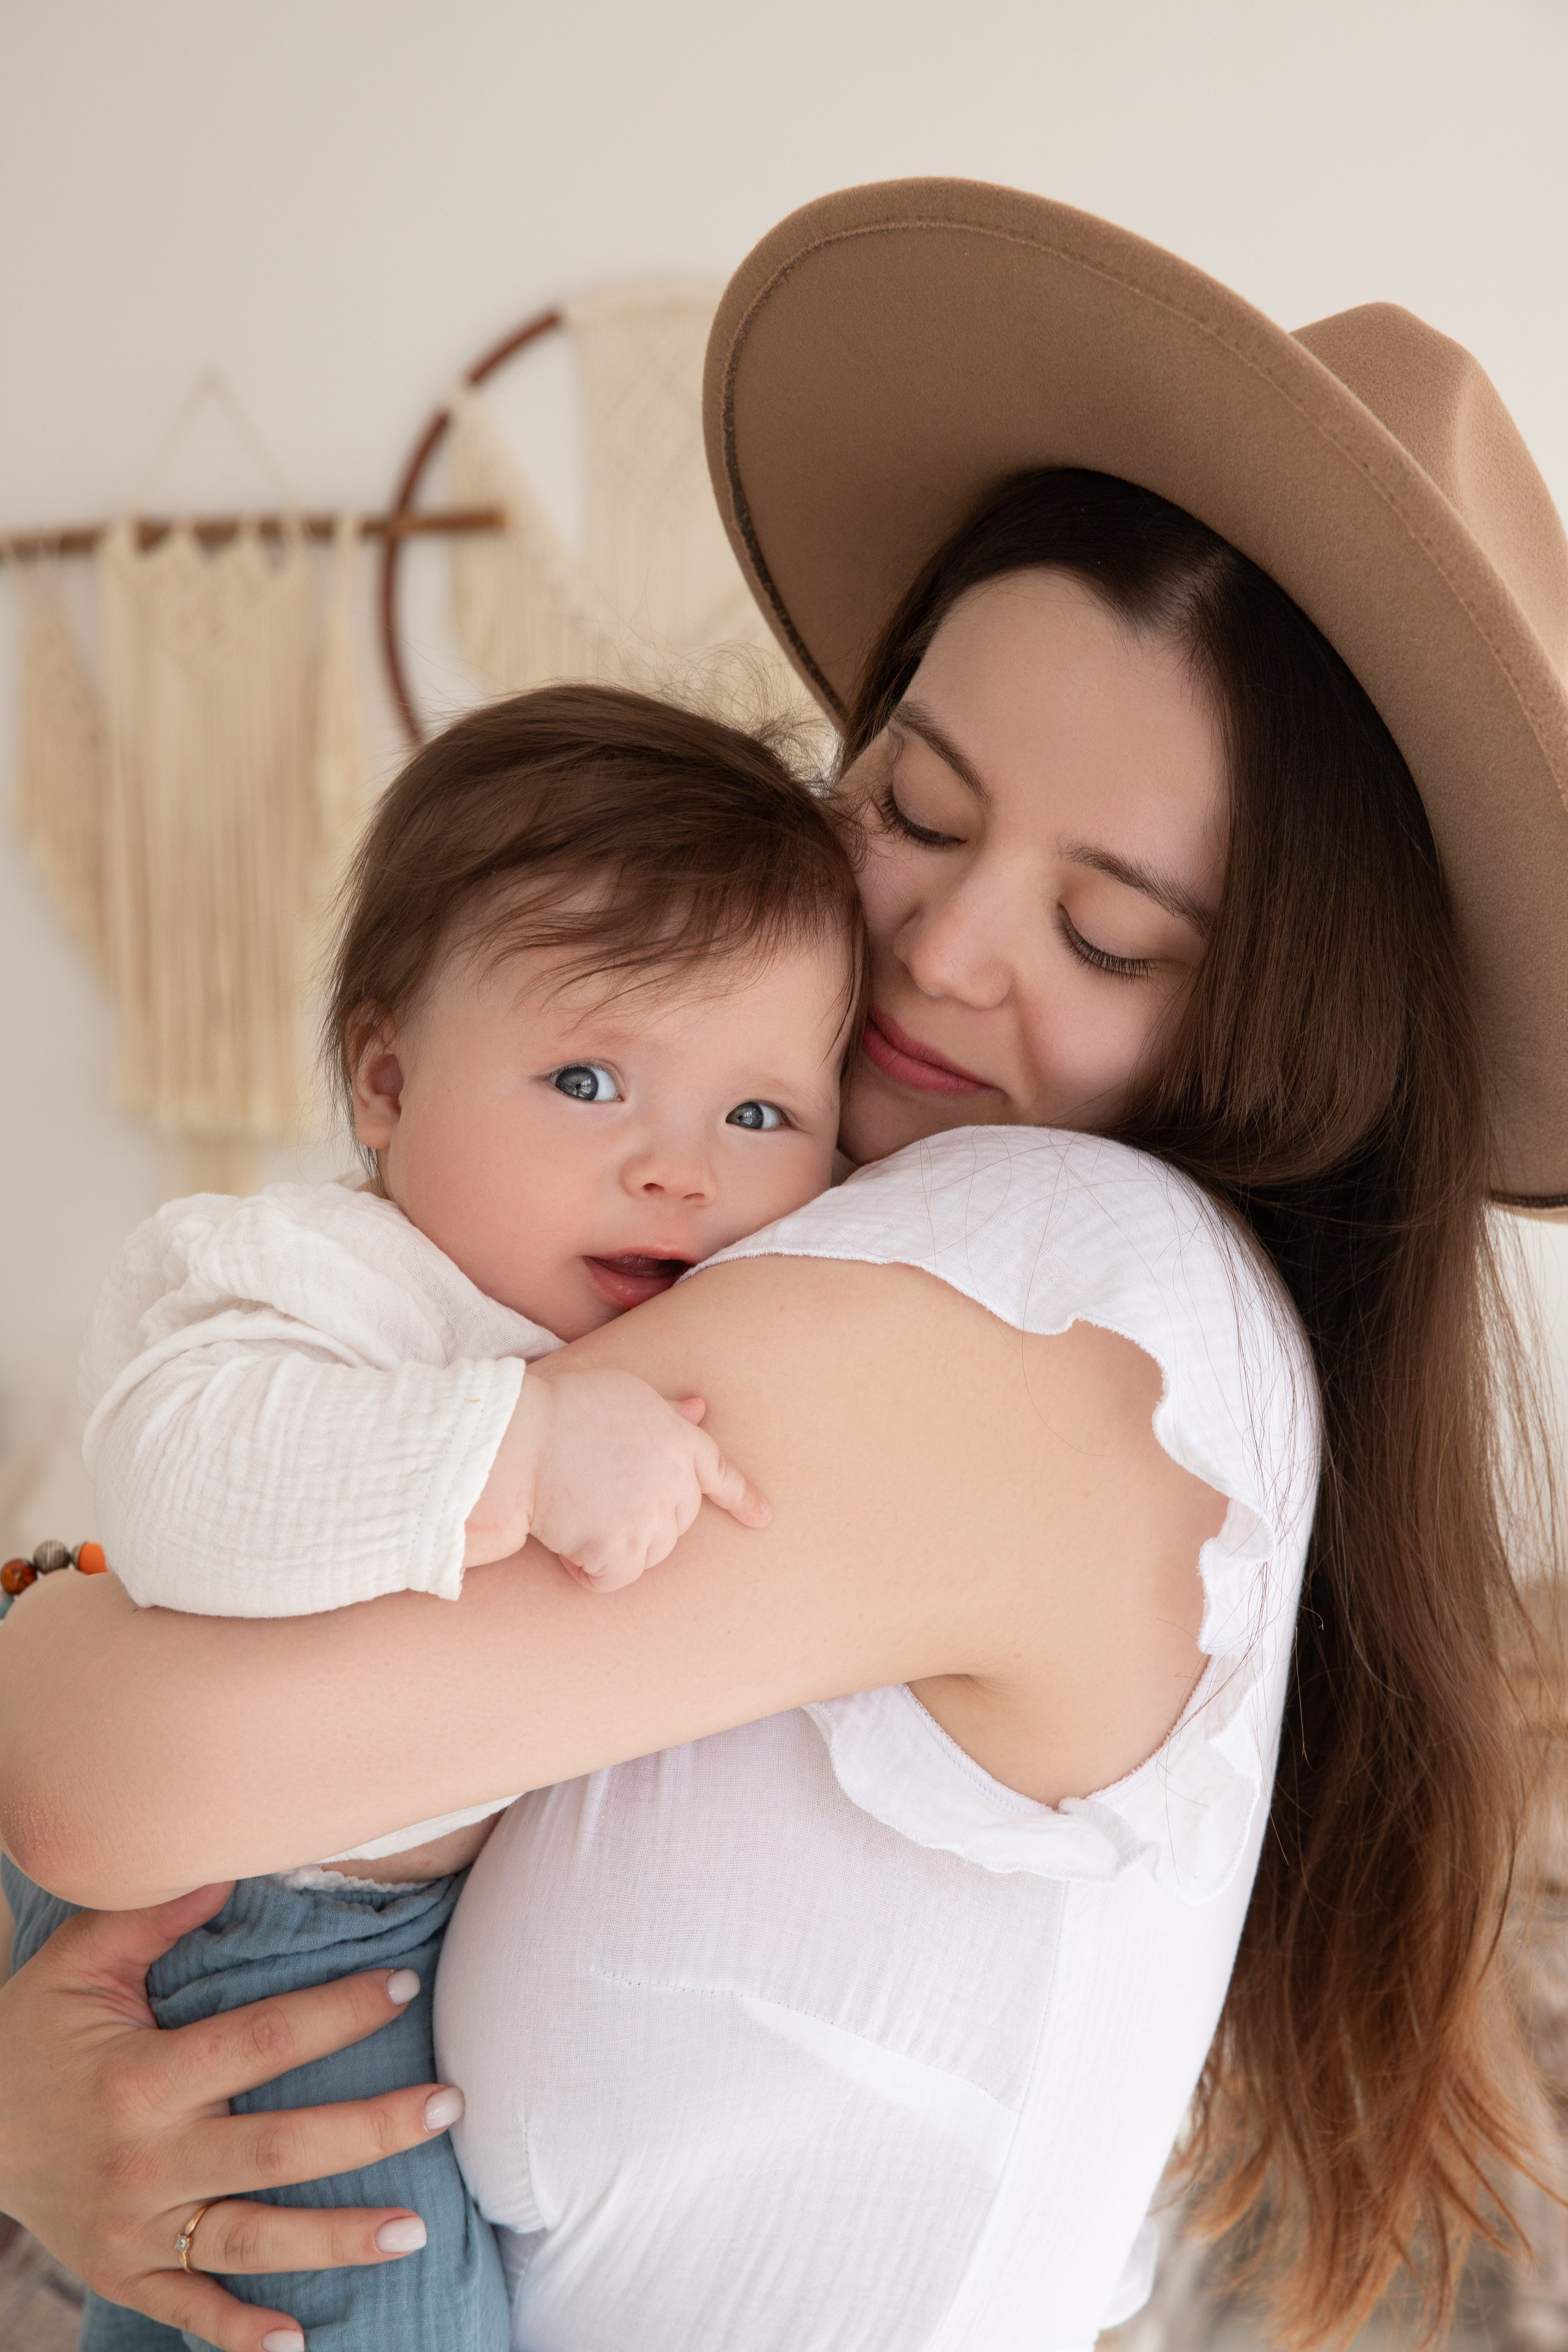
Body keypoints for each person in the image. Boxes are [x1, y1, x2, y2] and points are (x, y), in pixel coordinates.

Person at [2, 177, 1566, 2352]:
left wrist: (54, 1644)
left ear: (1280, 1017)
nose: (942, 944)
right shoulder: (796, 1256)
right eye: (914, 806)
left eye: (1113, 933)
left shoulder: (1059, 1275)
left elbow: (112, 1766)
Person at [2, 680, 865, 2350]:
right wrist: (518, 1454)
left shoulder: (693, 1328)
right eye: (589, 1077)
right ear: (385, 1082)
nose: (679, 1170)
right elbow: (188, 1486)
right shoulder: (330, 1278)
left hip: (362, 1924)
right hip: (255, 1928)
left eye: (760, 1115)